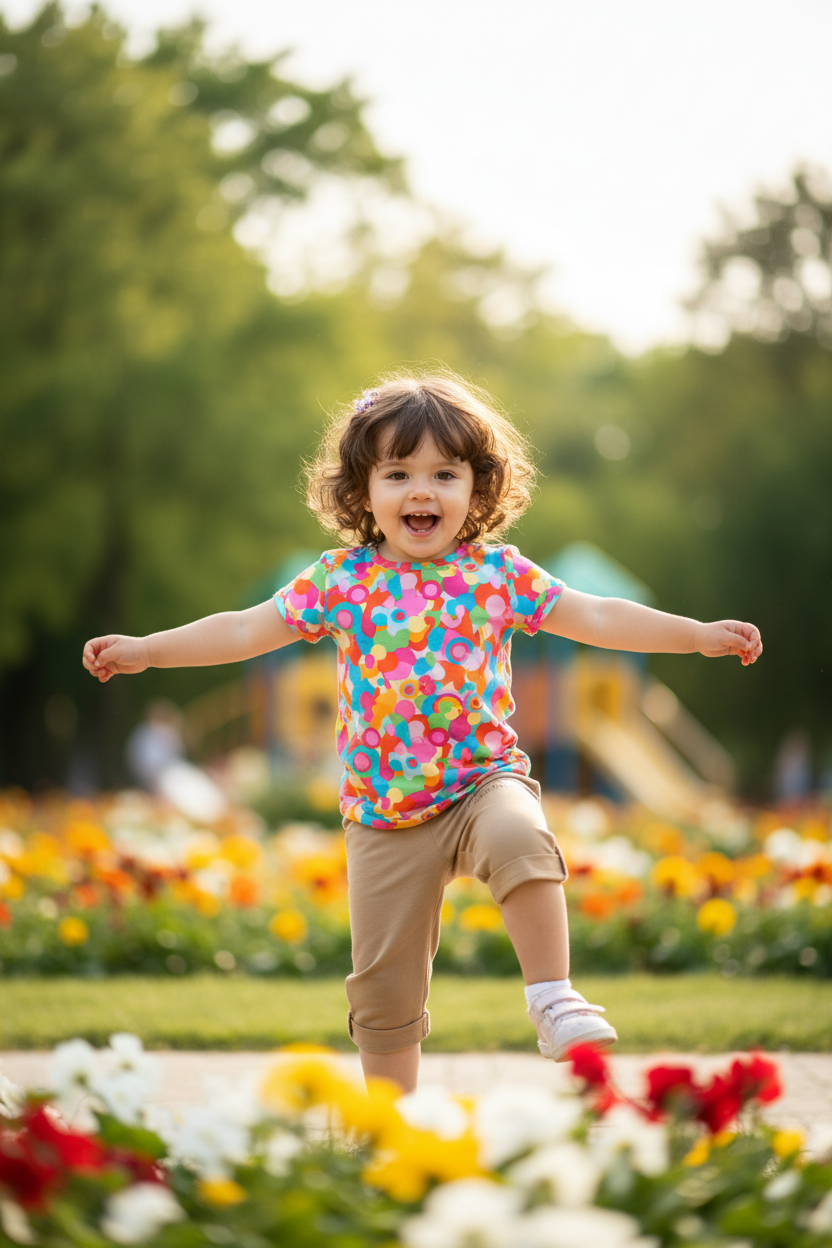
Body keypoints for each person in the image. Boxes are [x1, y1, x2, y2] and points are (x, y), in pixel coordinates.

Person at [83, 371, 763, 1093]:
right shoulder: (341, 580)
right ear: (362, 490)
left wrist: (695, 636)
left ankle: (552, 997)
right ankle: (389, 1117)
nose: (422, 491)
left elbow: (595, 616)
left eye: (446, 473)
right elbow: (247, 630)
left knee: (520, 836)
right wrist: (150, 649)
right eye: (398, 472)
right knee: (382, 989)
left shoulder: (495, 573)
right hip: (384, 814)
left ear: (478, 488)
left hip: (480, 781)